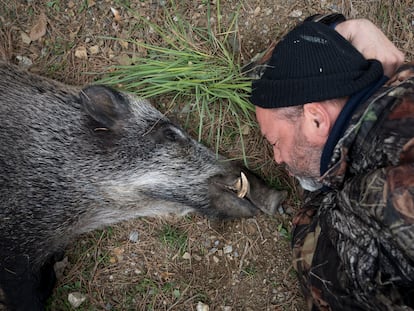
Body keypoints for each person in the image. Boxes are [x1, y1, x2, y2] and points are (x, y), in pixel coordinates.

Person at [249, 14, 414, 310]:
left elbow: (312, 260)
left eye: (274, 141)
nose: (277, 158)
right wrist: (342, 31)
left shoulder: (378, 208)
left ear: (315, 119)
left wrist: (317, 184)